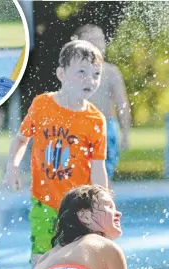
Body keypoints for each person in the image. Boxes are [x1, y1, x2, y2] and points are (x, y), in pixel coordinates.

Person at [4, 40, 108, 267]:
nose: (90, 80)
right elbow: (22, 139)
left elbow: (98, 166)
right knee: (41, 259)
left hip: (79, 208)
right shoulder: (42, 105)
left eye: (96, 74)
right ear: (61, 73)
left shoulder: (95, 120)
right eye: (81, 72)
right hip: (44, 201)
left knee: (79, 260)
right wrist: (12, 167)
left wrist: (103, 202)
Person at [15, 185, 134, 269]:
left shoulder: (46, 257)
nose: (118, 213)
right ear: (84, 216)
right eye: (109, 206)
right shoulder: (103, 246)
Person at [71, 24, 131, 181]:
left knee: (104, 175)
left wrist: (125, 133)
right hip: (79, 128)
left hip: (106, 128)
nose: (97, 43)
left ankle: (104, 202)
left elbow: (122, 103)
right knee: (79, 174)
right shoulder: (71, 72)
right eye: (92, 40)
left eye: (101, 40)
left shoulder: (111, 72)